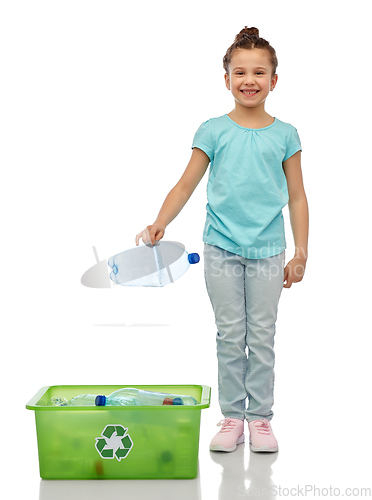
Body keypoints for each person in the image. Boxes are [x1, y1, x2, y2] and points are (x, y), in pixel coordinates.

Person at [135, 26, 309, 453]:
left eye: (259, 72)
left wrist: (301, 252)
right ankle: (233, 416)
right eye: (240, 72)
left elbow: (298, 197)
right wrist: (161, 221)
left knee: (262, 334)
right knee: (230, 333)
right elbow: (185, 186)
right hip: (221, 248)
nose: (250, 80)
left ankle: (261, 419)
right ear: (226, 78)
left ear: (274, 80)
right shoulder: (213, 130)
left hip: (269, 250)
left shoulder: (286, 134)